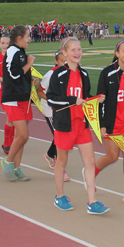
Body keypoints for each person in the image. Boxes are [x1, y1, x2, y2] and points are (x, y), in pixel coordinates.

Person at [46, 37, 110, 215]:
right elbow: (50, 98)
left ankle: (92, 202)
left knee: (90, 162)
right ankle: (60, 196)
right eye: (73, 50)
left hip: (82, 125)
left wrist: (95, 99)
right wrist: (73, 100)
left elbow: (85, 97)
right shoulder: (58, 75)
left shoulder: (84, 74)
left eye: (79, 49)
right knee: (62, 161)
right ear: (64, 53)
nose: (77, 53)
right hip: (64, 125)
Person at [95, 40, 124, 207]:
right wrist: (102, 124)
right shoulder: (107, 73)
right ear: (117, 53)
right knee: (112, 156)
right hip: (111, 122)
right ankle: (91, 175)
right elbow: (100, 101)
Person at [0, 25, 35, 181]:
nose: (29, 39)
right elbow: (13, 74)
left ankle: (17, 168)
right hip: (13, 98)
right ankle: (8, 162)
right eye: (27, 35)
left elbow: (20, 75)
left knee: (20, 136)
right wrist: (29, 64)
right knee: (23, 135)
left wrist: (31, 79)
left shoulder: (20, 52)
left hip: (23, 98)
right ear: (20, 37)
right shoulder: (13, 51)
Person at [37, 48, 70, 182]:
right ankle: (60, 168)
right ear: (56, 61)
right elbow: (39, 91)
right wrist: (52, 101)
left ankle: (50, 154)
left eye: (65, 60)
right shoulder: (51, 74)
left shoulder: (71, 73)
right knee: (60, 136)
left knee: (64, 136)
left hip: (63, 109)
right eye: (61, 61)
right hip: (50, 109)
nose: (64, 63)